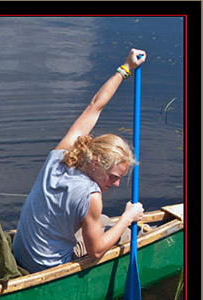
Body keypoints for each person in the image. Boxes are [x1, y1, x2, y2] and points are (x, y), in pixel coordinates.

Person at [13, 48, 147, 273]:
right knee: (130, 231)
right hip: (46, 267)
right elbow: (95, 252)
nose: (115, 184)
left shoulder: (61, 156)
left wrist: (126, 68)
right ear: (96, 164)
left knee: (102, 219)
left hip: (21, 252)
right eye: (113, 177)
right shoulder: (91, 195)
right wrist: (127, 218)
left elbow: (95, 106)